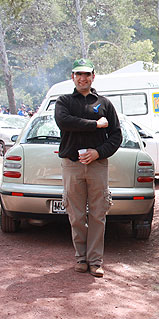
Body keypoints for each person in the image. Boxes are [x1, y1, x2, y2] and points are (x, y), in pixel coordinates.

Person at [54, 58, 122, 278]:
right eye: (78, 74)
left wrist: (98, 152)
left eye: (87, 74)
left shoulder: (104, 103)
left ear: (93, 76)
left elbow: (116, 136)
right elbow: (65, 122)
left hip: (97, 166)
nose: (83, 78)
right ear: (72, 77)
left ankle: (95, 261)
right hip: (72, 165)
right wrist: (95, 124)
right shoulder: (63, 101)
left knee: (98, 214)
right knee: (74, 214)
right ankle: (80, 258)